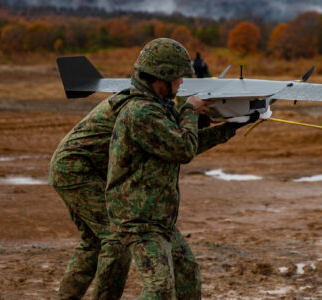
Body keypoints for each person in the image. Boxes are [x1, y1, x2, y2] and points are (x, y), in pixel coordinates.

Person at [105, 38, 257, 299]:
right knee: (160, 290)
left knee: (187, 274)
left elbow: (181, 145)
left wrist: (231, 128)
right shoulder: (141, 112)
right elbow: (184, 149)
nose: (182, 83)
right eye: (178, 77)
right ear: (161, 78)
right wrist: (189, 110)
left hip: (158, 217)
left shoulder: (155, 107)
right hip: (138, 220)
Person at [49, 87, 135, 298]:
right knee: (117, 238)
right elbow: (174, 146)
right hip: (77, 170)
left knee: (93, 241)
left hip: (71, 167)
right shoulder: (139, 105)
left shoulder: (135, 96)